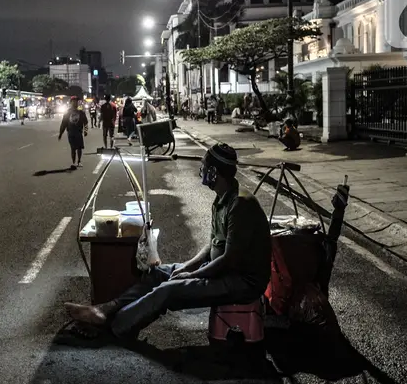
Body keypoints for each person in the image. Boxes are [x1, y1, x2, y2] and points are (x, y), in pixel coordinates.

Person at [64, 143, 272, 341]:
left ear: (214, 173)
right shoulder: (221, 199)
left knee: (168, 290)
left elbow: (229, 259)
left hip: (241, 282)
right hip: (220, 272)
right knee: (159, 274)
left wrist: (192, 275)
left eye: (204, 167)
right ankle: (106, 309)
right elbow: (212, 245)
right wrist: (188, 267)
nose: (201, 171)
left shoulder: (240, 205)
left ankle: (113, 329)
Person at [58, 97, 89, 170]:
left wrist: (86, 131)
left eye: (76, 101)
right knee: (73, 148)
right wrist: (60, 133)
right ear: (71, 102)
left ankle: (79, 161)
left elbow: (86, 122)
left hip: (78, 132)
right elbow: (63, 124)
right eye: (73, 101)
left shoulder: (81, 112)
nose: (75, 103)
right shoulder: (67, 113)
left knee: (79, 148)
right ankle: (73, 162)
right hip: (71, 133)